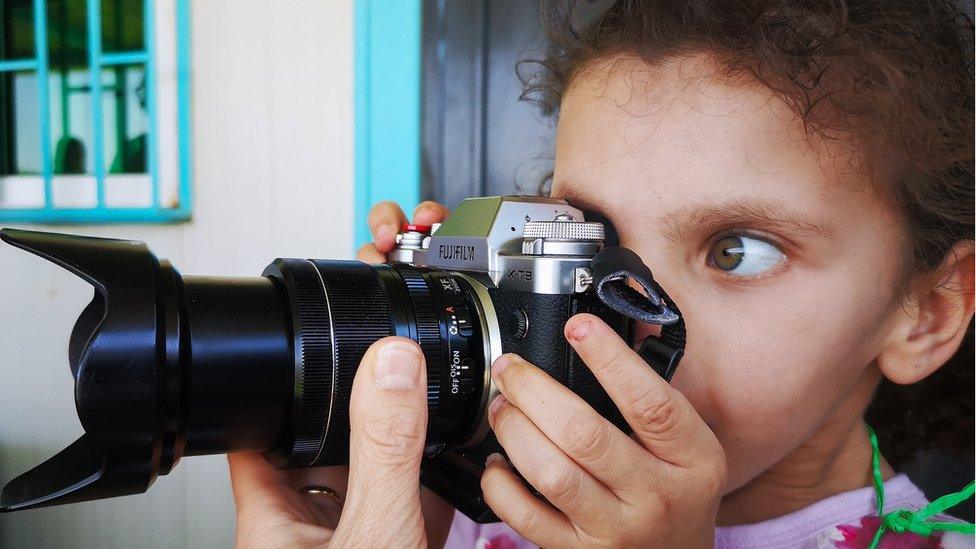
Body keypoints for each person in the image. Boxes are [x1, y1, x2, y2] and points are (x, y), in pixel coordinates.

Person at [229, 0, 975, 547]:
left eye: (737, 251)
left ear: (928, 313)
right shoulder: (475, 495)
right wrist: (375, 465)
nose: (633, 312)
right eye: (590, 239)